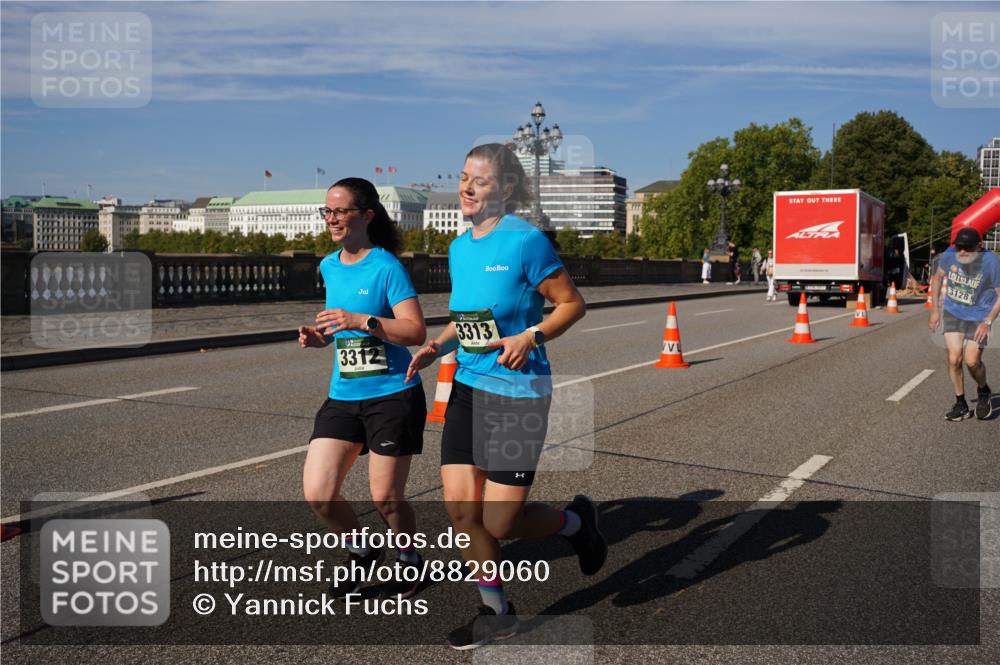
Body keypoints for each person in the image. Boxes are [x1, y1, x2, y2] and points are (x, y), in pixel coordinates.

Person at [406, 143, 607, 650]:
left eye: (481, 180)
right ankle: (497, 611)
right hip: (470, 389)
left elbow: (571, 304)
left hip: (520, 396)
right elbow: (467, 318)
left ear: (507, 189)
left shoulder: (526, 242)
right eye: (463, 177)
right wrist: (436, 345)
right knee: (461, 513)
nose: (467, 187)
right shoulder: (458, 247)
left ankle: (576, 522)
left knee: (502, 521)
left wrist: (531, 335)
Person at [299, 177, 429, 598]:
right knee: (318, 493)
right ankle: (363, 548)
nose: (331, 219)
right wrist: (322, 338)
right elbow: (340, 333)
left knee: (386, 498)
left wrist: (362, 321)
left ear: (366, 216)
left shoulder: (386, 266)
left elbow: (414, 331)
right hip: (344, 395)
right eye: (327, 211)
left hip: (392, 394)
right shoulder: (328, 265)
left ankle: (411, 562)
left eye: (340, 211)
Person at [927, 227, 1000, 421]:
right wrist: (935, 310)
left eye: (968, 248)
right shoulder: (950, 255)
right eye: (959, 247)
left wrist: (987, 322)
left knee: (972, 361)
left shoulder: (991, 261)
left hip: (980, 315)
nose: (962, 252)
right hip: (954, 311)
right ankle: (961, 404)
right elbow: (937, 279)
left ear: (979, 246)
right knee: (954, 358)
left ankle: (983, 390)